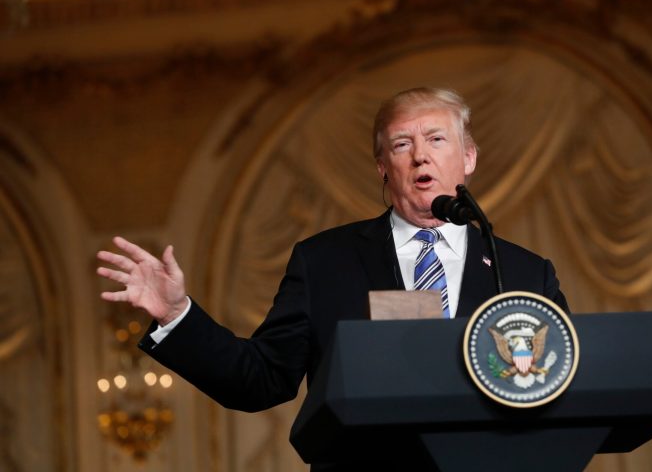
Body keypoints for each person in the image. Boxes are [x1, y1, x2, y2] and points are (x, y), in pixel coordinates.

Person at [97, 87, 569, 468]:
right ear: (383, 167)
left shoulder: (526, 272)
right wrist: (177, 314)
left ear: (469, 157)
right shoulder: (324, 261)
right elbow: (260, 380)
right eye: (402, 144)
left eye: (436, 139)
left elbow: (561, 390)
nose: (420, 156)